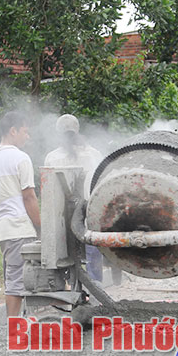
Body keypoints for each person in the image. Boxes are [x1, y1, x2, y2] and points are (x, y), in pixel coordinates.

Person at [0, 111, 41, 317]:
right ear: (13, 131)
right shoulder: (21, 158)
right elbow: (29, 197)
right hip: (19, 227)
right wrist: (41, 227)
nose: (27, 136)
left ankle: (22, 323)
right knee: (17, 280)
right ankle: (14, 330)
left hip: (2, 229)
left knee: (16, 277)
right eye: (25, 131)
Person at [44, 114, 105, 281]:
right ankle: (96, 291)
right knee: (92, 252)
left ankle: (67, 286)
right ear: (77, 130)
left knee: (66, 254)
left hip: (61, 222)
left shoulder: (52, 157)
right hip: (88, 218)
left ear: (58, 132)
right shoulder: (93, 154)